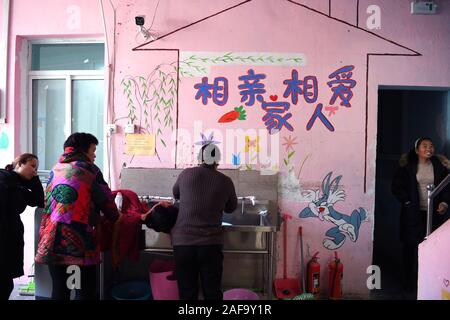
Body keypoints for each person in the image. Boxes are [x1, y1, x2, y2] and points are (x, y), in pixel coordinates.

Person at [35, 133, 120, 300]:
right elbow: (107, 202)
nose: (94, 155)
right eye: (93, 150)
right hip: (79, 242)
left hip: (52, 240)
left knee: (60, 289)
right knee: (84, 290)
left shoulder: (56, 169)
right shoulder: (89, 170)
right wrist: (116, 217)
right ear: (83, 150)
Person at [171, 143, 237, 300]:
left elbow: (176, 194)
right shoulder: (225, 181)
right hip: (210, 245)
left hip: (183, 244)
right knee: (212, 292)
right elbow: (231, 208)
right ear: (217, 160)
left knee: (187, 292)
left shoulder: (186, 174)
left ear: (200, 158)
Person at [391, 137, 450, 294]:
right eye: (425, 146)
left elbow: (447, 187)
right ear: (417, 150)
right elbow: (397, 187)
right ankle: (409, 284)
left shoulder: (440, 167)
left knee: (433, 249)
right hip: (413, 215)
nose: (429, 148)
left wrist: (445, 203)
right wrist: (408, 202)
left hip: (434, 215)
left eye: (431, 146)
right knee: (411, 249)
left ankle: (429, 284)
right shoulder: (407, 167)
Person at [0, 153, 44, 300]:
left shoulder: (18, 186)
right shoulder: (4, 180)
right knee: (4, 285)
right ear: (19, 164)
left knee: (6, 284)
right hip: (4, 239)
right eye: (32, 166)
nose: (34, 171)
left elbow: (39, 201)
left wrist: (35, 179)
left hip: (10, 239)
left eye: (36, 168)